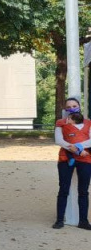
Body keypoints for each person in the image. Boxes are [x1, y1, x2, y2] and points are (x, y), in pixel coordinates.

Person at [52, 97, 91, 230]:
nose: (71, 108)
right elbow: (59, 140)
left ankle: (84, 221)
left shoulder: (88, 122)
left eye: (74, 105)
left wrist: (78, 147)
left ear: (79, 106)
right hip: (65, 158)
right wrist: (74, 149)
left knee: (83, 191)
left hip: (85, 159)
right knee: (63, 189)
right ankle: (59, 220)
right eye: (68, 106)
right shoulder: (61, 122)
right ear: (65, 109)